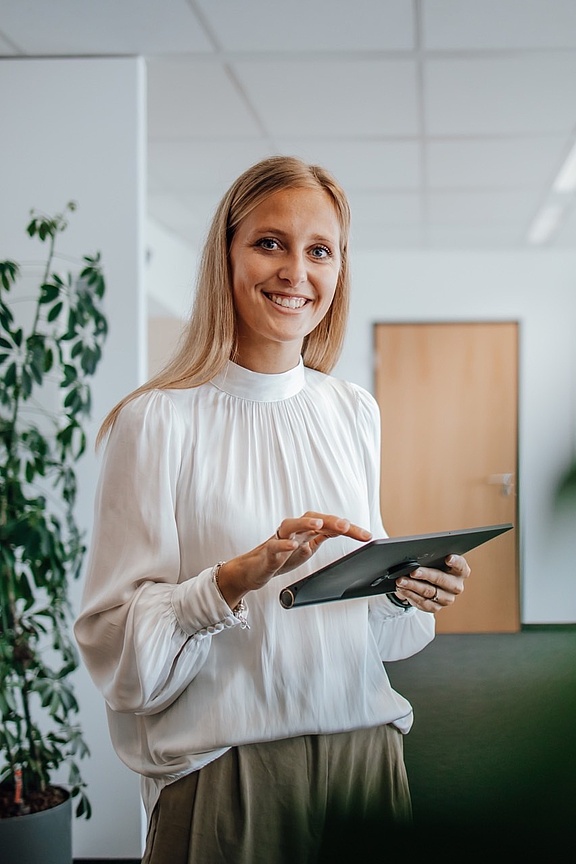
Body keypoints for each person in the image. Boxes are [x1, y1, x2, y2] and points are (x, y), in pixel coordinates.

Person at [74, 155, 471, 864]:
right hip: (227, 777)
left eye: (319, 250)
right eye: (269, 243)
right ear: (225, 255)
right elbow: (117, 656)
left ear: (339, 270)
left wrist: (406, 590)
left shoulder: (352, 410)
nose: (296, 271)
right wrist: (232, 580)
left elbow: (370, 638)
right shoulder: (156, 421)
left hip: (366, 757)